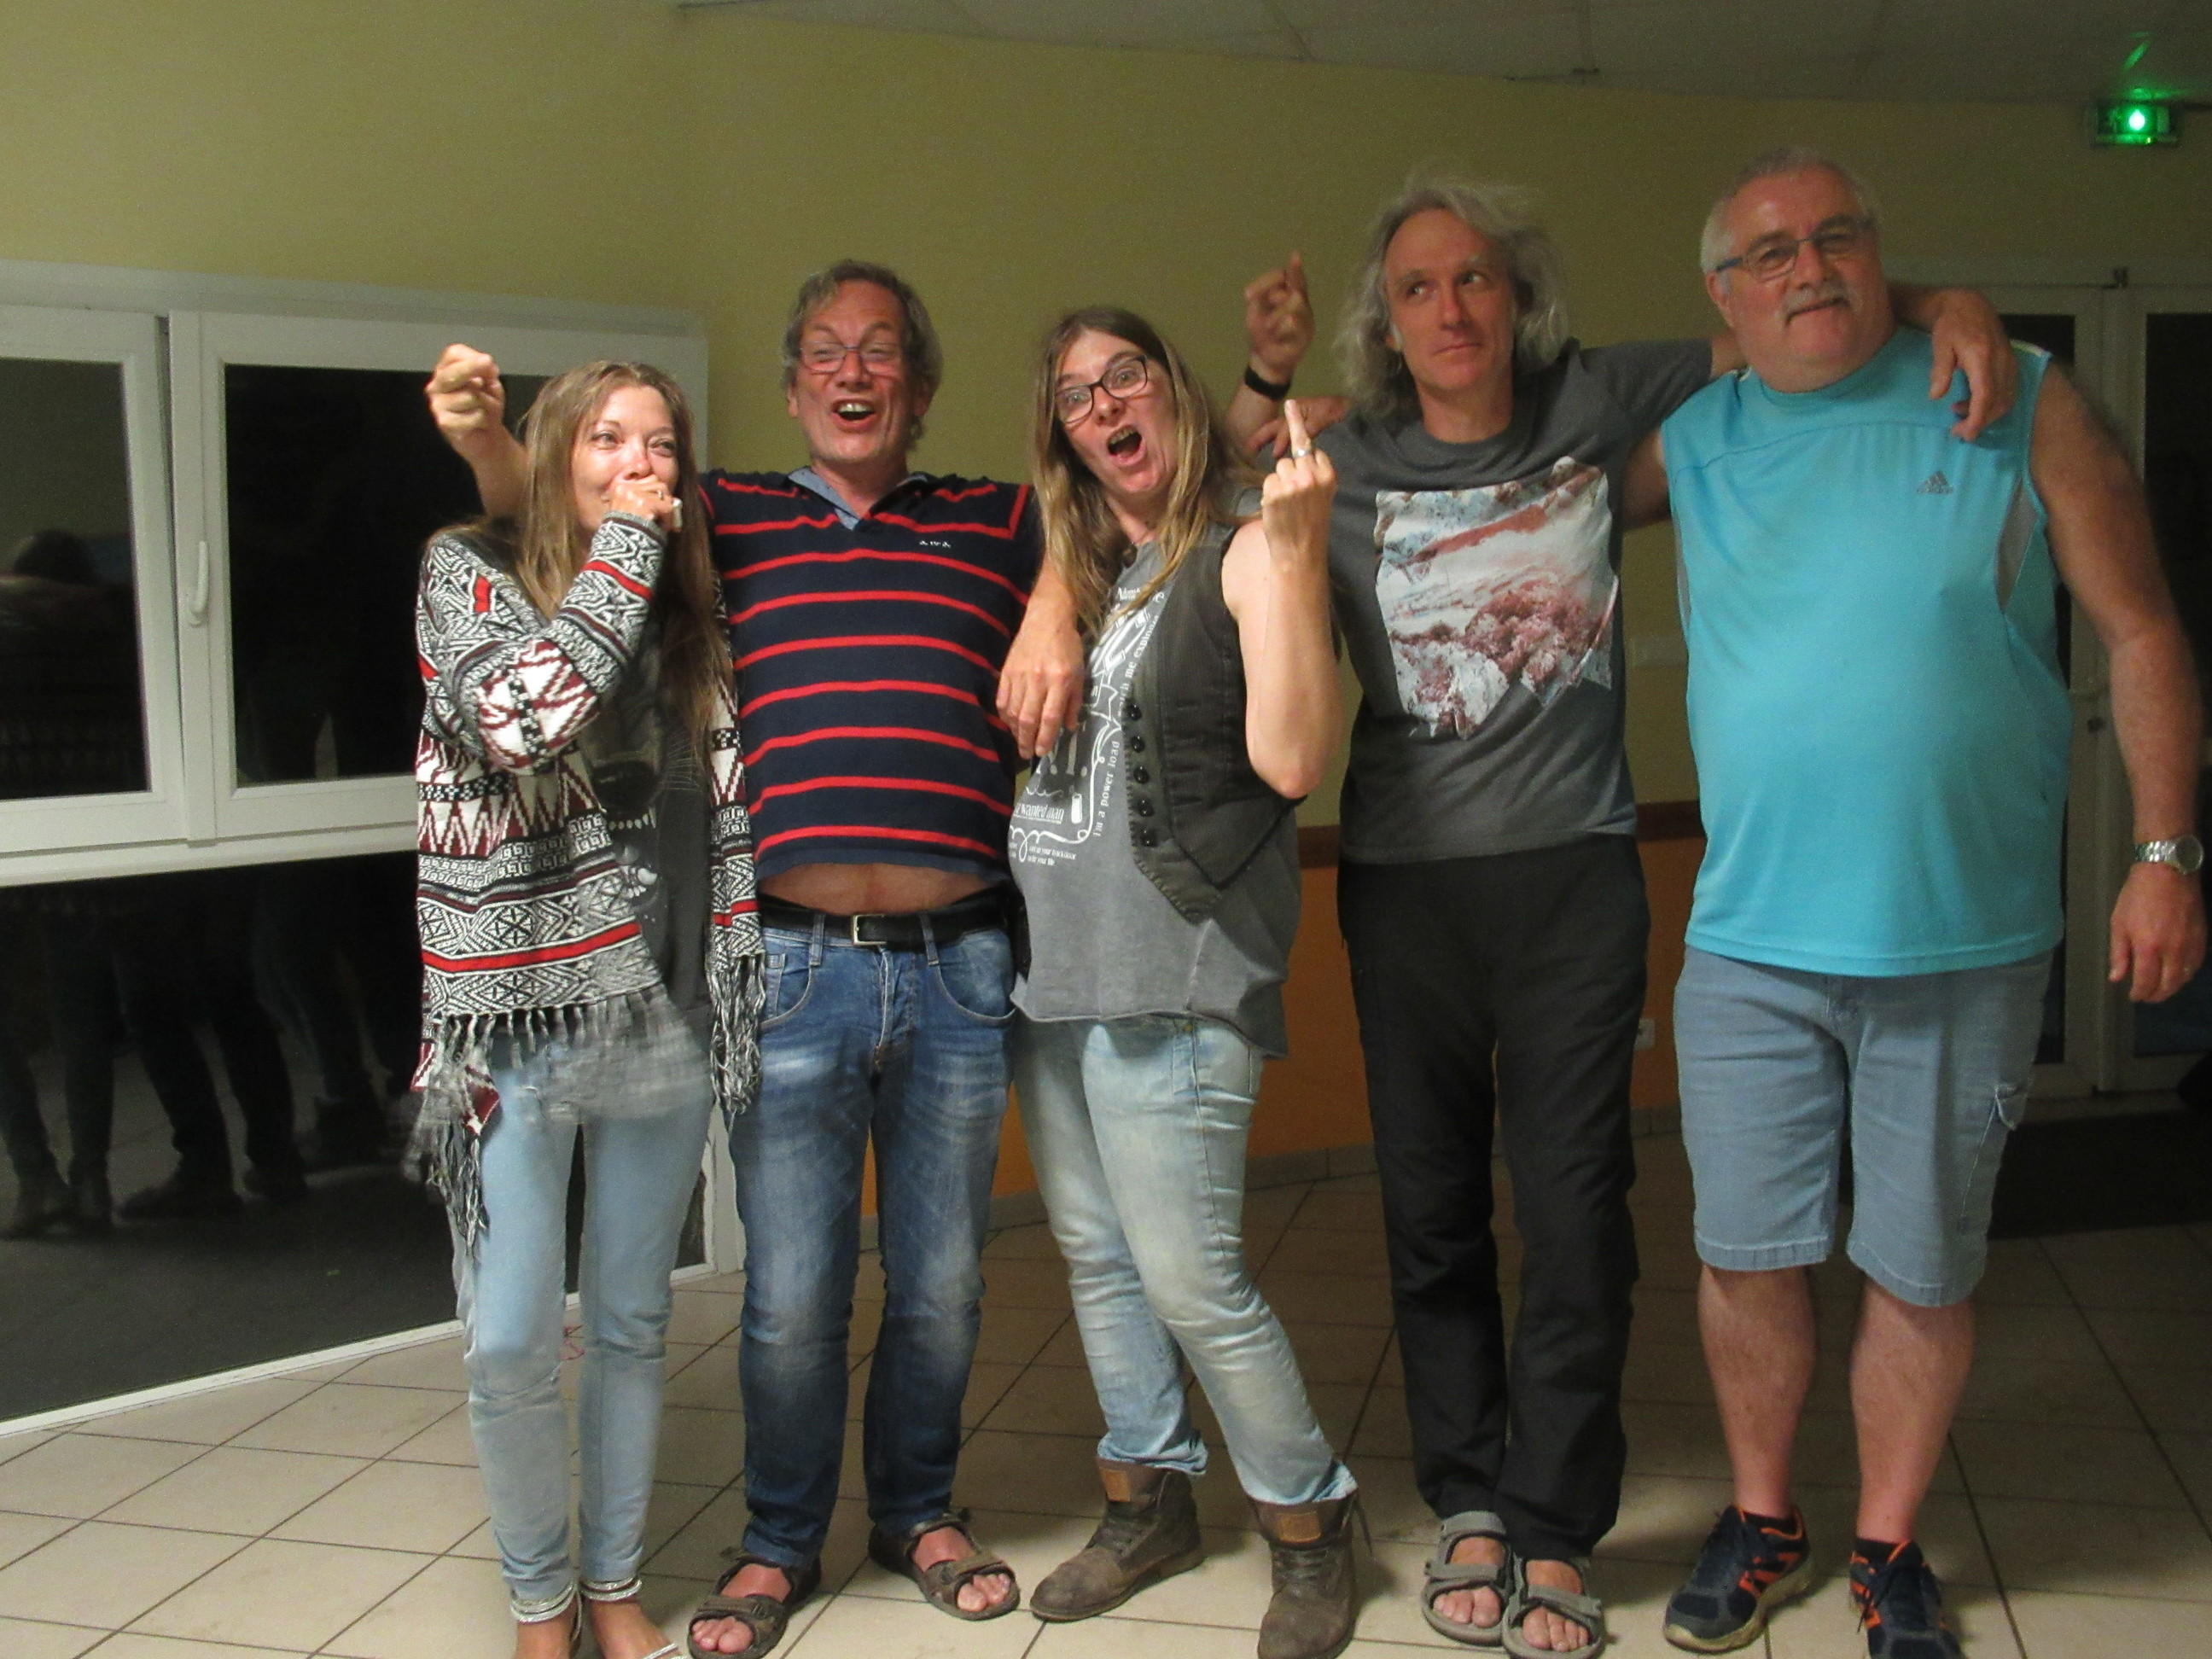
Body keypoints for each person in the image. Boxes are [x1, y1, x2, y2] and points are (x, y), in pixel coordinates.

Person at [1097, 181, 2015, 1659]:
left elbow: (1788, 314)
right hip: (1405, 888)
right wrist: (1264, 378)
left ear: (1518, 296)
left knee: (1581, 1212)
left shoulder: (1599, 397)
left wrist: (1947, 304)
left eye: (1474, 279)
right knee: (1432, 1209)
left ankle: (1554, 1525)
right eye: (1417, 289)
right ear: (1386, 321)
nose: (1450, 309)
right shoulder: (1347, 450)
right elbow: (1179, 484)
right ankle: (1467, 1497)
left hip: (1578, 882)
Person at [1641, 149, 2204, 1659]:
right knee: (1745, 1255)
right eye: (1769, 251)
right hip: (1750, 942)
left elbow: (2143, 630)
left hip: (1965, 941)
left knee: (1923, 1264)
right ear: (1722, 294)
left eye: (1837, 237)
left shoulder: (2010, 395)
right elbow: (1502, 447)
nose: (1808, 267)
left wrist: (2166, 853)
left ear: (1880, 253)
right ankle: (1764, 1517)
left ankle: (1890, 1546)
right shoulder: (1690, 438)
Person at [1010, 310, 1356, 1659]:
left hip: (1174, 974)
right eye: (1076, 395)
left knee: (1193, 1279)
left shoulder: (1246, 550)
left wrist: (1305, 550)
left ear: (1174, 393)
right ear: (1063, 436)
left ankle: (1312, 1522)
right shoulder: (1092, 571)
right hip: (1057, 974)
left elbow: (1292, 761)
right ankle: (1148, 1499)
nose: (1106, 404)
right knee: (1100, 1262)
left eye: (1127, 376)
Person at [412, 358, 763, 1659]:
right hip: (516, 1018)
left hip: (663, 1011)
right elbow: (527, 719)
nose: (639, 464)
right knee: (510, 1339)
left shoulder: (693, 620)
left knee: (630, 1322)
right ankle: (538, 1602)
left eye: (661, 445)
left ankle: (612, 1586)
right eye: (608, 440)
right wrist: (622, 546)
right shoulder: (467, 576)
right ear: (556, 455)